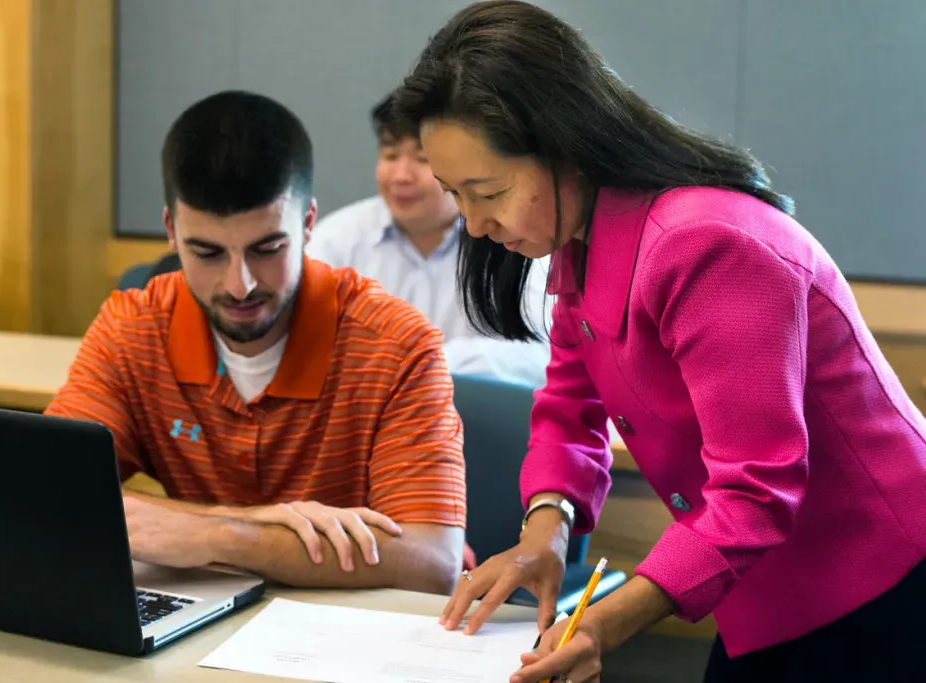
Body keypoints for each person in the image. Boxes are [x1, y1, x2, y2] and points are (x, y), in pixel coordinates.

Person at [392, 1, 926, 681]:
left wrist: (605, 621)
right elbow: (566, 410)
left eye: (486, 190)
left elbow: (756, 487)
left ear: (565, 146)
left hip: (875, 580)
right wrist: (543, 536)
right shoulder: (581, 239)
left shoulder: (707, 245)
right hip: (764, 578)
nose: (472, 223)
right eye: (454, 193)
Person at [45, 90, 468, 596]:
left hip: (350, 632)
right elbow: (45, 492)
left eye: (267, 249)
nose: (239, 284)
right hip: (204, 621)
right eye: (206, 252)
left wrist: (226, 535)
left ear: (309, 224)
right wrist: (246, 526)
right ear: (170, 232)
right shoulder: (132, 328)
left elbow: (433, 560)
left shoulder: (397, 344)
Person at [307, 93, 550, 388]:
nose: (401, 176)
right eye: (390, 155)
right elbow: (301, 346)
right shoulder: (336, 240)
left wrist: (421, 363)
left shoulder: (511, 238)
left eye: (423, 159)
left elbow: (540, 355)